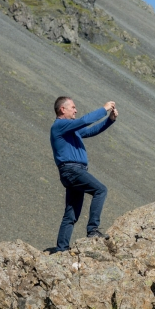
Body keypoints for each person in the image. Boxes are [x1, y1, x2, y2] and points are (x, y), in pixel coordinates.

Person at [50, 97, 118, 252]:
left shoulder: (69, 130)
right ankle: (93, 230)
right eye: (73, 107)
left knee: (71, 214)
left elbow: (90, 130)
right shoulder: (60, 125)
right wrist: (104, 108)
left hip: (73, 171)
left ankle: (61, 249)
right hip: (72, 170)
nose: (75, 110)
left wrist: (110, 120)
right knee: (100, 190)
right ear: (63, 109)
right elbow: (84, 121)